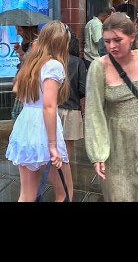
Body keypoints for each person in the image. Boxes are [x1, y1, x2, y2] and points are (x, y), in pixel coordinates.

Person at [84, 12, 138, 202]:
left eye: (117, 40)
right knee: (119, 195)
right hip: (115, 140)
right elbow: (93, 113)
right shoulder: (98, 67)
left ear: (132, 37)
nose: (112, 46)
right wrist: (97, 153)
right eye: (107, 41)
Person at [5, 20, 71, 202]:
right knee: (64, 192)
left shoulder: (31, 63)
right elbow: (49, 106)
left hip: (25, 123)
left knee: (27, 195)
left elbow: (17, 90)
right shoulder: (54, 66)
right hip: (43, 127)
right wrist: (52, 145)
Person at [50, 24, 86, 201]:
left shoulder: (49, 61)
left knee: (53, 156)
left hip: (53, 111)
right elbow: (83, 89)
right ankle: (65, 196)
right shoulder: (77, 62)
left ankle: (60, 193)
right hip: (71, 112)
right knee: (65, 158)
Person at [11, 24, 40, 119]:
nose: (17, 33)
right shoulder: (27, 43)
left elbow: (30, 61)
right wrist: (20, 51)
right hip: (25, 80)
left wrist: (21, 53)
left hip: (29, 81)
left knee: (21, 113)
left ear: (28, 29)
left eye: (20, 30)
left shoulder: (36, 43)